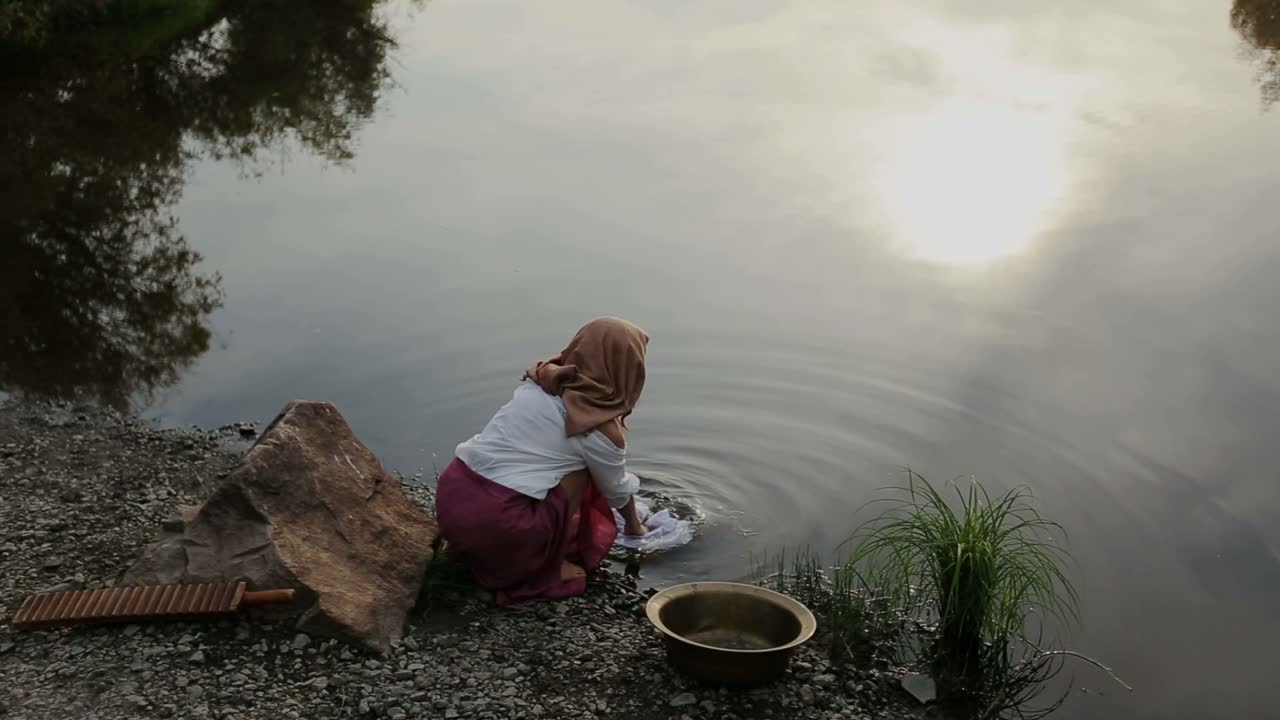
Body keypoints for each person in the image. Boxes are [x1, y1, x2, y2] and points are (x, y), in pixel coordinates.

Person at [435, 317, 651, 604]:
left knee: (554, 466)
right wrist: (636, 528)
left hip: (452, 501)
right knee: (582, 473)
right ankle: (544, 566)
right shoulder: (596, 427)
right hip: (497, 524)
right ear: (629, 370)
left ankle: (469, 550)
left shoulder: (541, 383)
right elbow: (616, 491)